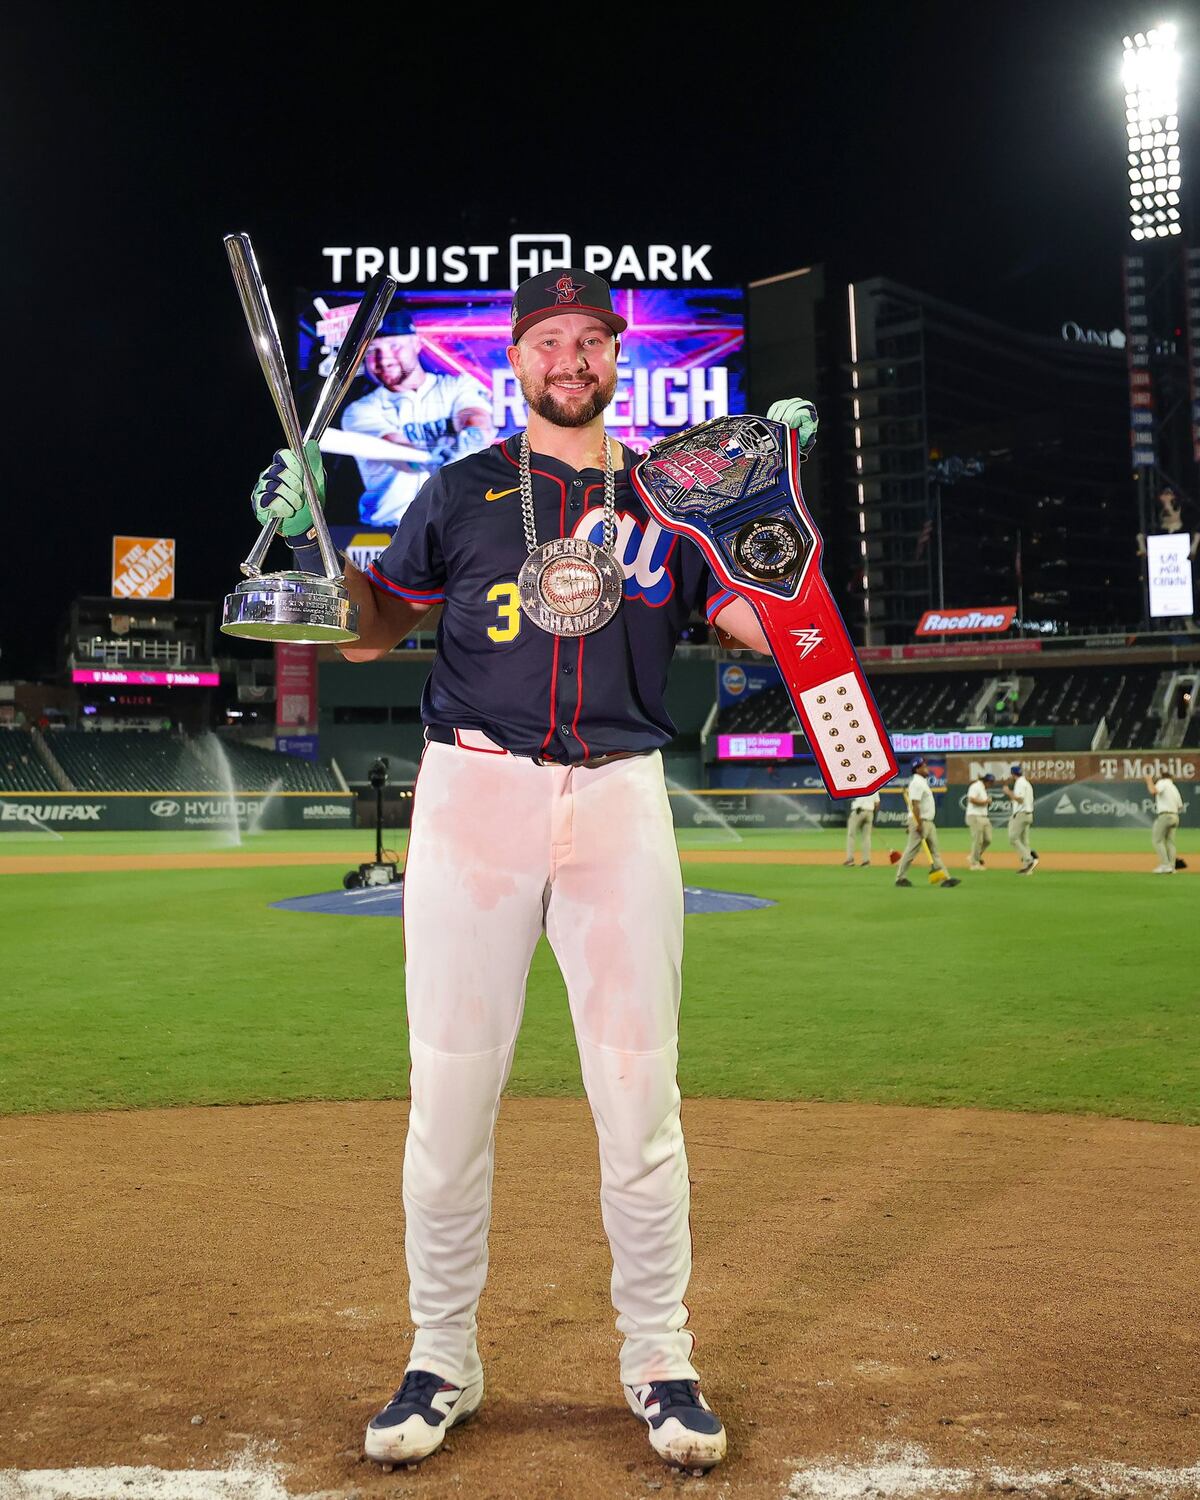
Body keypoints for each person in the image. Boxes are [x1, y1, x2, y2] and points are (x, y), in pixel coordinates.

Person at [252, 267, 815, 1476]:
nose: (571, 358)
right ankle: (441, 1357)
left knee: (640, 1099)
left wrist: (774, 515)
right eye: (549, 339)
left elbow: (770, 630)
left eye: (591, 340)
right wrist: (308, 533)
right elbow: (367, 632)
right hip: (475, 793)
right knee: (451, 1096)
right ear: (518, 359)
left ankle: (660, 1359)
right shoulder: (458, 489)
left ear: (617, 356)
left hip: (619, 796)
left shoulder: (671, 498)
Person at [338, 309, 494, 527]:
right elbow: (398, 452)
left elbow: (476, 417)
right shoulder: (360, 411)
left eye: (394, 346)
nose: (384, 360)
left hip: (459, 527)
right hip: (390, 532)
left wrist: (469, 442)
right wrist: (429, 457)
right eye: (373, 350)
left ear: (416, 344)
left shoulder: (457, 386)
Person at [894, 756, 959, 888]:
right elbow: (915, 805)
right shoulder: (916, 783)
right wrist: (918, 824)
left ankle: (945, 878)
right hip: (921, 821)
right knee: (911, 851)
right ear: (917, 769)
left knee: (935, 852)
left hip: (928, 821)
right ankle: (900, 878)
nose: (926, 768)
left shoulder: (922, 782)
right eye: (923, 766)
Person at [1145, 768, 1184, 872]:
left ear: (1162, 777)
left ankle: (1165, 865)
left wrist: (1149, 780)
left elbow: (1153, 791)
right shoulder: (1174, 787)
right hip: (1175, 816)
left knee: (1157, 840)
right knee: (1170, 842)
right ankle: (1171, 866)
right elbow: (1180, 806)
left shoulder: (1163, 783)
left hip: (1165, 815)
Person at [1003, 763, 1037, 873]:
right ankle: (1027, 868)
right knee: (1024, 841)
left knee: (1013, 838)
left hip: (1021, 814)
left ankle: (1029, 859)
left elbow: (1020, 799)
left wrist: (1008, 792)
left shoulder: (1020, 783)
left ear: (1013, 774)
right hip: (1028, 814)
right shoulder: (1026, 783)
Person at [965, 771, 996, 870]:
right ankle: (974, 864)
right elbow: (971, 799)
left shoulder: (983, 789)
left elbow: (983, 802)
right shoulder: (975, 786)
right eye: (991, 782)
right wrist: (985, 801)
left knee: (988, 839)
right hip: (974, 815)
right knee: (978, 840)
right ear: (986, 781)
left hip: (983, 816)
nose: (991, 785)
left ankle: (973, 856)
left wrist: (987, 802)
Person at [843, 789, 880, 866]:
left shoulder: (857, 785)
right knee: (866, 837)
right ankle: (866, 861)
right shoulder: (874, 786)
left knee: (851, 836)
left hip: (858, 811)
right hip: (870, 813)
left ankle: (850, 860)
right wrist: (874, 820)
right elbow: (877, 803)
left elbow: (849, 799)